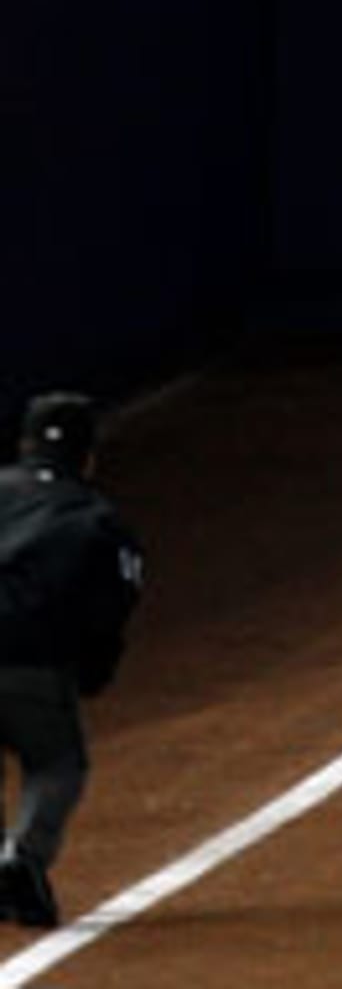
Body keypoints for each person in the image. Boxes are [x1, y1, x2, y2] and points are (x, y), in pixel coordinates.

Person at [0, 392, 143, 926]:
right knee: (57, 764)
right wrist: (94, 670)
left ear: (23, 444)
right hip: (32, 662)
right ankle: (22, 859)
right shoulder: (99, 520)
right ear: (89, 456)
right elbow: (111, 605)